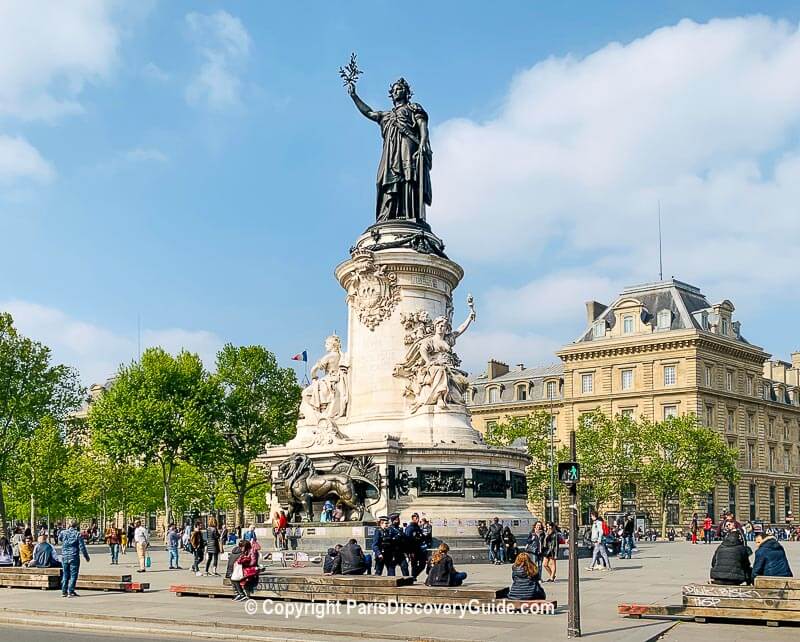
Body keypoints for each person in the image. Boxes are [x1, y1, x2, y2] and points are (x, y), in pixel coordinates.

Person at [58, 519, 90, 597]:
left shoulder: (63, 532)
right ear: (76, 526)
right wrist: (86, 556)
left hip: (65, 555)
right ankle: (71, 591)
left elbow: (59, 538)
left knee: (65, 574)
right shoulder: (78, 534)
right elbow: (82, 547)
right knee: (73, 575)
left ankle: (64, 591)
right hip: (74, 555)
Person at [404, 513, 426, 579]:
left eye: (418, 518)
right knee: (414, 565)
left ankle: (414, 576)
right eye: (416, 518)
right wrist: (409, 552)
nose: (417, 519)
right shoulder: (410, 528)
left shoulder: (417, 527)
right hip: (412, 550)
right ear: (413, 519)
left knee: (423, 564)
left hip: (419, 549)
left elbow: (420, 537)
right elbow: (407, 540)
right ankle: (413, 577)